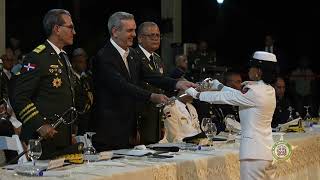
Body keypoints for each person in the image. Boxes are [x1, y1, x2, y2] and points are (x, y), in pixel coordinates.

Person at [92, 12, 196, 151]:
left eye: (134, 30)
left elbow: (151, 76)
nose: (134, 34)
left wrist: (177, 83)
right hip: (110, 129)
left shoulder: (132, 55)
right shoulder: (104, 56)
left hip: (129, 129)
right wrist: (151, 96)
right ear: (115, 32)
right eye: (130, 30)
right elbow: (122, 86)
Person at [186, 51, 277, 180]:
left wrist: (197, 95)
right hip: (267, 151)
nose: (249, 70)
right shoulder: (268, 90)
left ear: (258, 71)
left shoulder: (255, 92)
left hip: (254, 155)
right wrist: (220, 86)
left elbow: (228, 98)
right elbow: (238, 96)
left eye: (252, 67)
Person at [9, 9, 76, 159]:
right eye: (70, 27)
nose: (74, 32)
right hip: (44, 139)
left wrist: (70, 131)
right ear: (57, 29)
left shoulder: (63, 57)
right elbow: (19, 97)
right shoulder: (37, 57)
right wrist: (39, 125)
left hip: (62, 138)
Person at [135, 22, 166, 144]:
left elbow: (160, 89)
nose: (155, 38)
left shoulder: (157, 59)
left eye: (158, 35)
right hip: (141, 119)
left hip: (155, 118)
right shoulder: (134, 57)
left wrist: (162, 123)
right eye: (151, 35)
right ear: (140, 38)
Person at [71, 48, 94, 135]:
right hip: (76, 118)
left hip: (87, 117)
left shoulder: (87, 78)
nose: (84, 65)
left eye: (85, 62)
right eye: (80, 62)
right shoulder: (71, 79)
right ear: (74, 63)